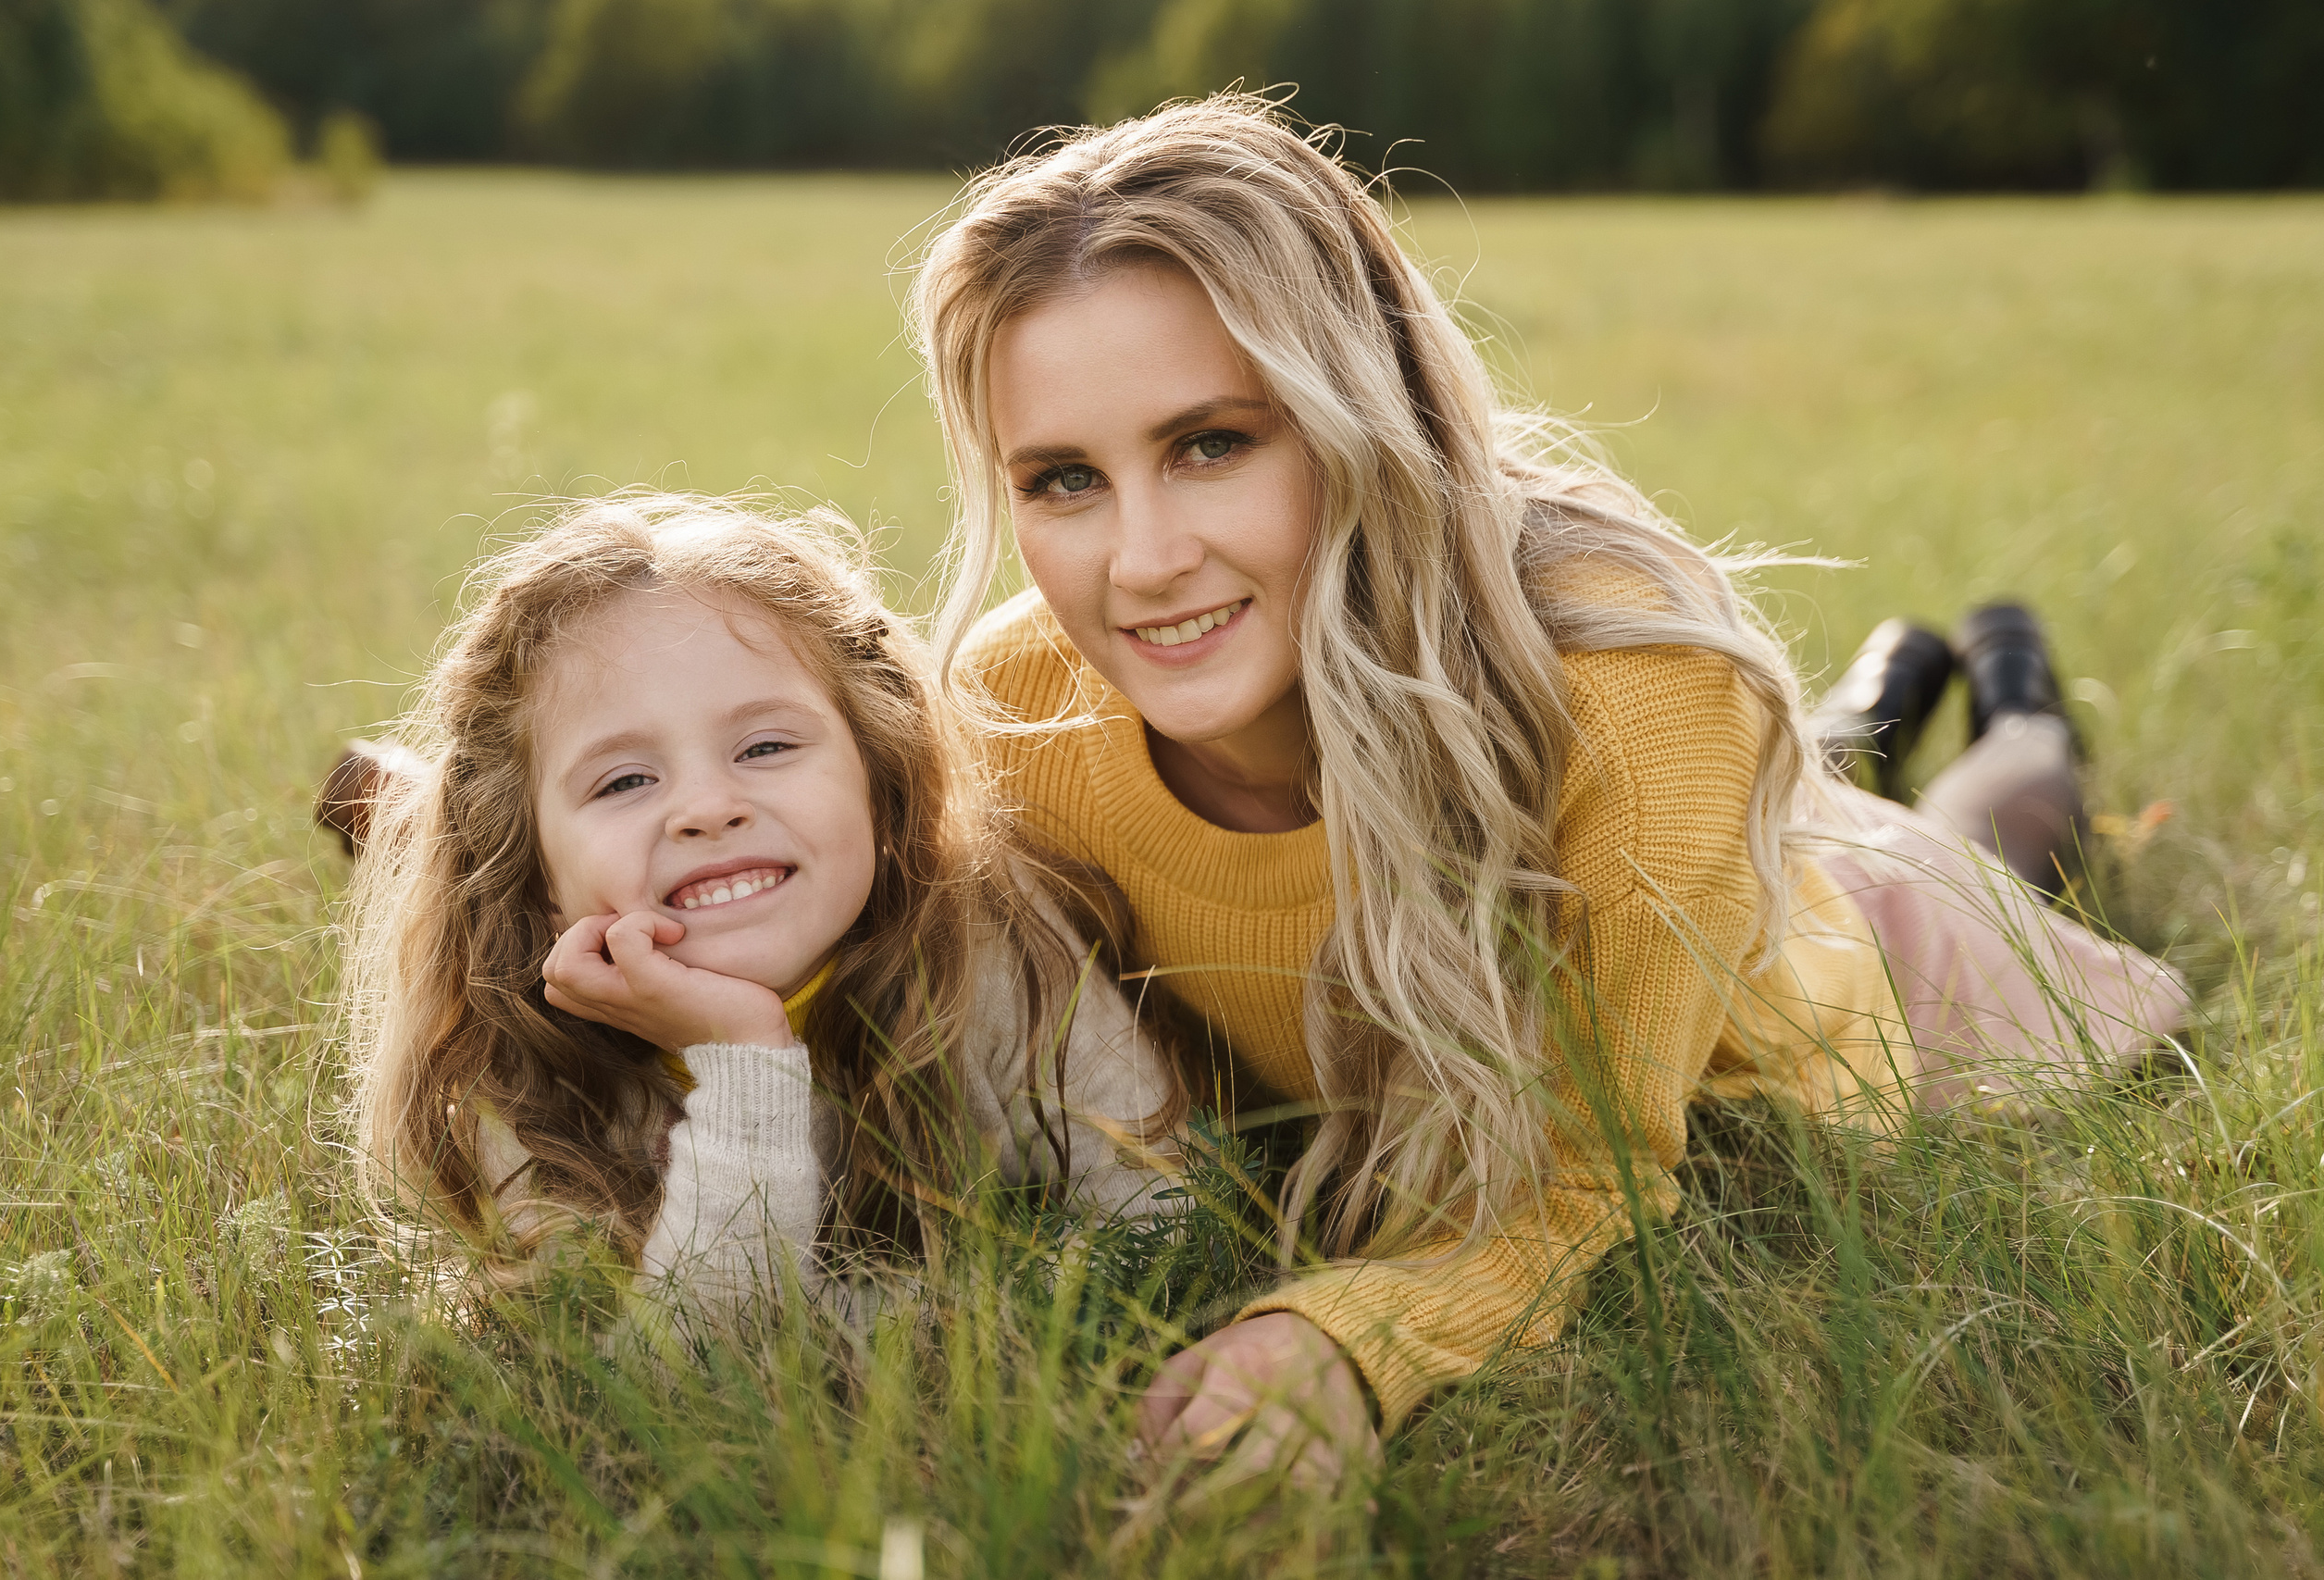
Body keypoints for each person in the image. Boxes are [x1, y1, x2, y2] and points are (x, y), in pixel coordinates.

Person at [912, 93, 2188, 1483]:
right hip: (1705, 825)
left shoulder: (1637, 701)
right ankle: (1884, 688)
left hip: (1818, 969)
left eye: (1213, 443)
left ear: (1360, 417)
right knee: (1822, 769)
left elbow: (1588, 1176)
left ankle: (2010, 674)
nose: (1142, 559)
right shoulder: (1018, 705)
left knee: (1976, 838)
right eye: (1064, 479)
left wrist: (1356, 1336)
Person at [342, 493, 1187, 1306]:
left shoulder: (989, 932)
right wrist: (745, 1059)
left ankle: (403, 805)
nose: (710, 807)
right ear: (532, 875)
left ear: (881, 776)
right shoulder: (520, 1064)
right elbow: (701, 1376)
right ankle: (407, 817)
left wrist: (857, 1323)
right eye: (626, 779)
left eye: (767, 744)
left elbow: (1172, 1223)